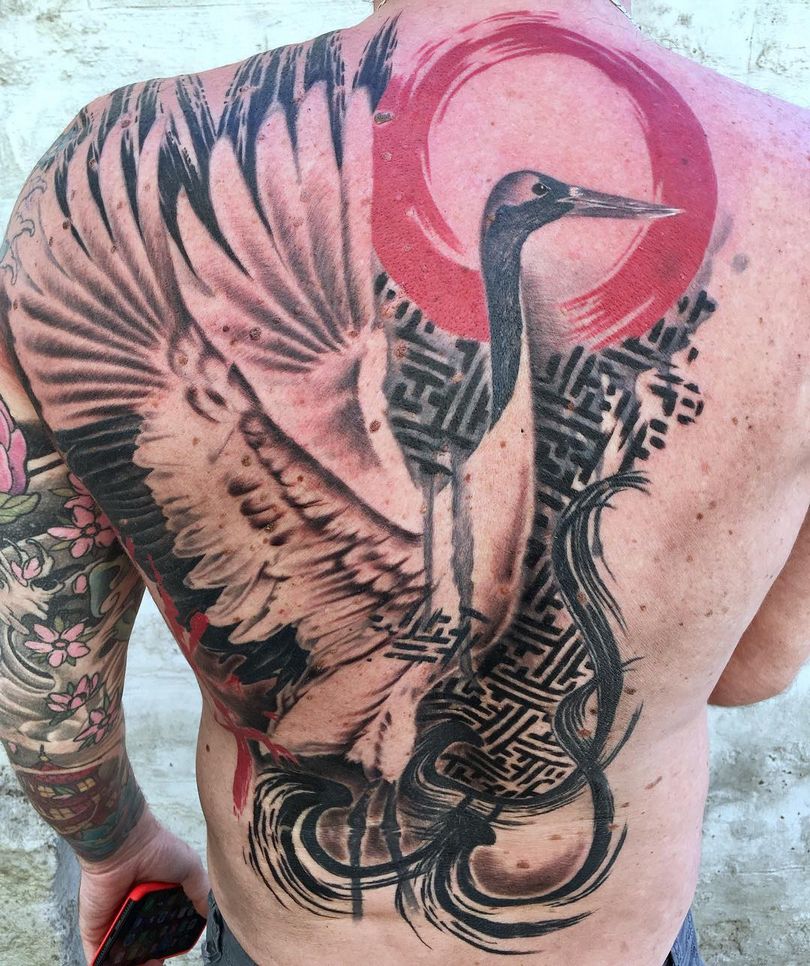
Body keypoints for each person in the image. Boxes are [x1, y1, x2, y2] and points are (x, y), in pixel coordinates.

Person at [0, 0, 807, 963]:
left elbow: (49, 675)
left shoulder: (104, 171)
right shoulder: (795, 182)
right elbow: (753, 669)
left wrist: (116, 845)